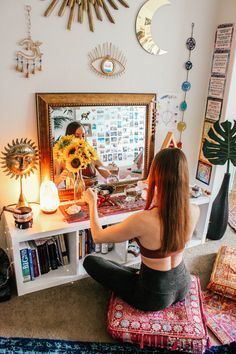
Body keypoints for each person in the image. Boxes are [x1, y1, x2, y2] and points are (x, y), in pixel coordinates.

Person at [83, 148, 200, 311]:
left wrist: (92, 202)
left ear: (157, 177)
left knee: (92, 261)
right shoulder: (194, 210)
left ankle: (137, 278)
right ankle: (137, 276)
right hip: (183, 284)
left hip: (154, 296)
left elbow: (97, 236)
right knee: (119, 268)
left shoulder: (143, 220)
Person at [54, 121, 111, 188]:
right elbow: (53, 182)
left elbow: (107, 175)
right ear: (69, 137)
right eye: (77, 136)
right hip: (73, 195)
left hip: (93, 193)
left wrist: (115, 174)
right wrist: (61, 177)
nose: (81, 139)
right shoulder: (61, 155)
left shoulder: (90, 153)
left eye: (83, 136)